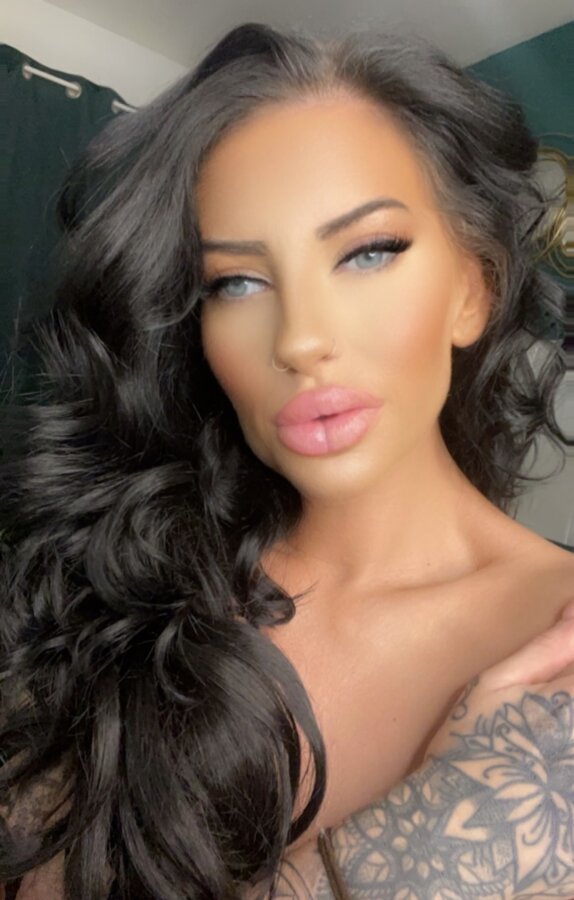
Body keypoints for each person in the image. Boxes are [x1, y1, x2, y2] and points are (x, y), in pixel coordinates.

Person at [0, 20, 573, 900]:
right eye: (235, 282)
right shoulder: (112, 598)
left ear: (473, 287)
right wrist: (422, 843)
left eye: (368, 252)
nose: (301, 339)